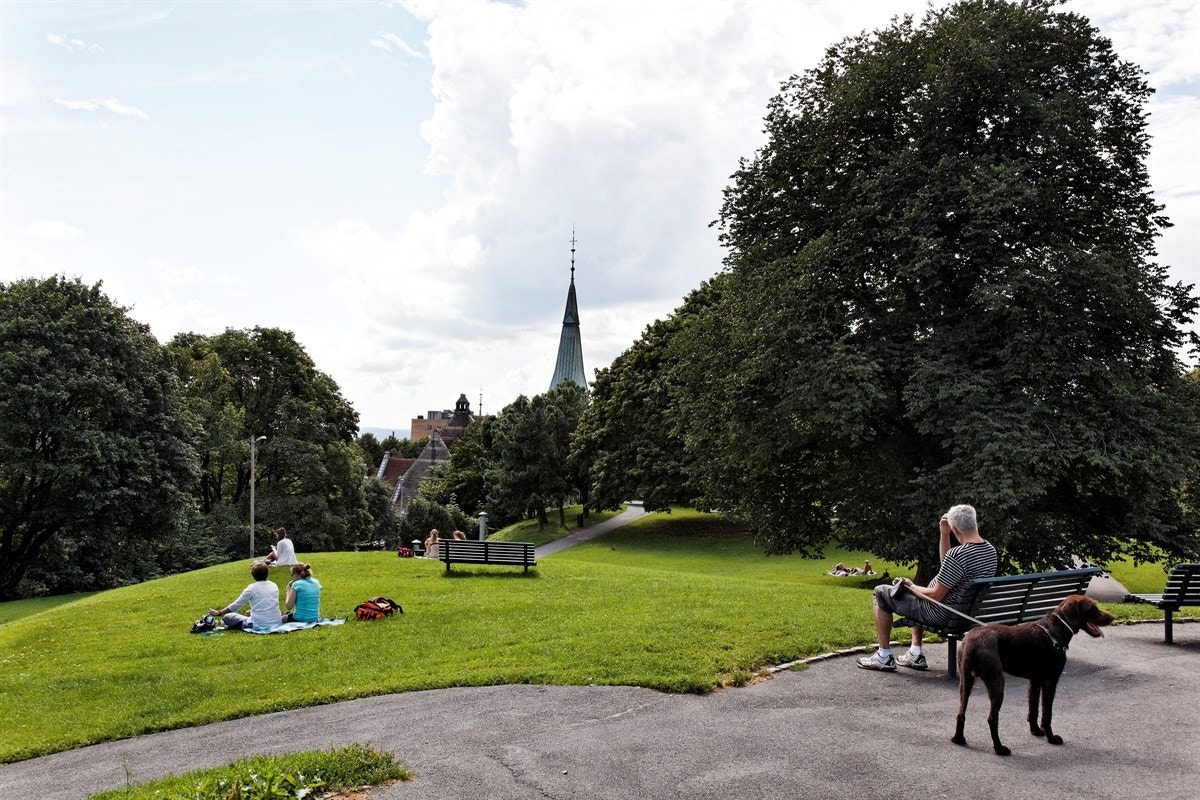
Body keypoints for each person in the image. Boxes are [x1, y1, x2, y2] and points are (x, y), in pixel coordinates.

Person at [857, 504, 997, 671]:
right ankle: (915, 653)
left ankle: (883, 656)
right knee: (919, 592)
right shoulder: (989, 550)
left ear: (955, 529)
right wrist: (944, 534)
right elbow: (948, 565)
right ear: (974, 522)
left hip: (942, 614)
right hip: (966, 614)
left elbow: (936, 596)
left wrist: (911, 586)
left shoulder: (958, 554)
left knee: (880, 592)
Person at [210, 561, 282, 631]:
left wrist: (218, 613)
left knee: (227, 617)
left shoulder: (251, 588)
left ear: (253, 574)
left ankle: (241, 624)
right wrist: (252, 611)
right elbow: (268, 602)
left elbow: (236, 605)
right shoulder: (273, 585)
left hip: (259, 623)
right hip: (277, 621)